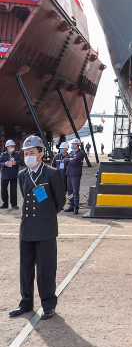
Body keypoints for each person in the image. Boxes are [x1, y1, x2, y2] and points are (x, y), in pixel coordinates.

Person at [9, 135, 65, 320]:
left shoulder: (52, 174)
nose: (28, 156)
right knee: (25, 268)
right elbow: (26, 196)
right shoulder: (22, 175)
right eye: (26, 153)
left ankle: (48, 304)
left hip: (45, 228)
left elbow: (59, 202)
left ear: (41, 154)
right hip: (27, 228)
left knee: (45, 269)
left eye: (32, 153)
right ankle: (26, 302)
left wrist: (45, 215)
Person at [1, 140, 24, 209]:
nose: (12, 148)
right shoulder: (3, 155)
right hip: (4, 175)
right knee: (3, 191)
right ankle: (5, 204)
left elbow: (21, 161)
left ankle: (14, 204)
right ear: (7, 147)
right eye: (11, 146)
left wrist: (16, 162)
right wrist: (4, 164)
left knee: (13, 191)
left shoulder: (16, 154)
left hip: (13, 175)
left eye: (13, 146)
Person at [64, 139, 85, 214]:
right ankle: (71, 205)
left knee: (75, 191)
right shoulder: (71, 153)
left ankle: (76, 207)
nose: (72, 145)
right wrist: (70, 159)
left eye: (73, 144)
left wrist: (69, 160)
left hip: (75, 174)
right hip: (69, 173)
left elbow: (75, 161)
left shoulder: (80, 153)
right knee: (70, 191)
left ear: (76, 144)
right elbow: (64, 160)